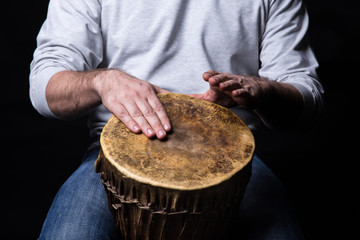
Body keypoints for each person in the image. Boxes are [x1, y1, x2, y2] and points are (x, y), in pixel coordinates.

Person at [30, 0, 324, 239]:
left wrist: (264, 90)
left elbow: (306, 102)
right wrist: (104, 81)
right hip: (113, 159)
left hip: (230, 160)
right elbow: (44, 88)